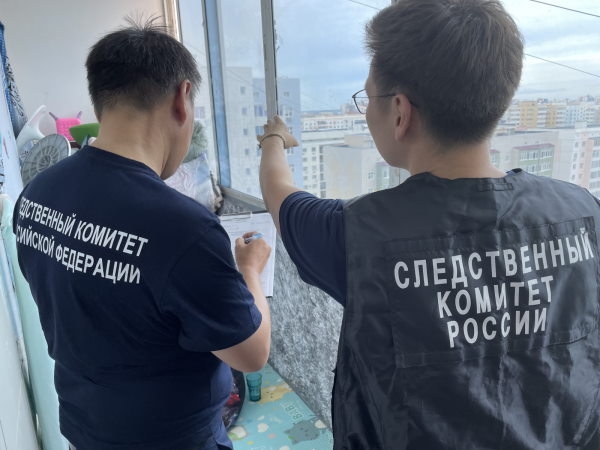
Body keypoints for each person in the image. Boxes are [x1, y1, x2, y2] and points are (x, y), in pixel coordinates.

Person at [258, 1, 600, 449]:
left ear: (400, 112)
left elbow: (279, 194)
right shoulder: (584, 213)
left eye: (368, 98)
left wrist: (274, 138)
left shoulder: (355, 235)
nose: (366, 111)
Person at [14, 20, 271, 450]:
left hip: (84, 429)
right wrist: (250, 271)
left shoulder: (35, 195)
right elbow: (251, 353)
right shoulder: (182, 228)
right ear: (182, 98)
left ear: (101, 102)